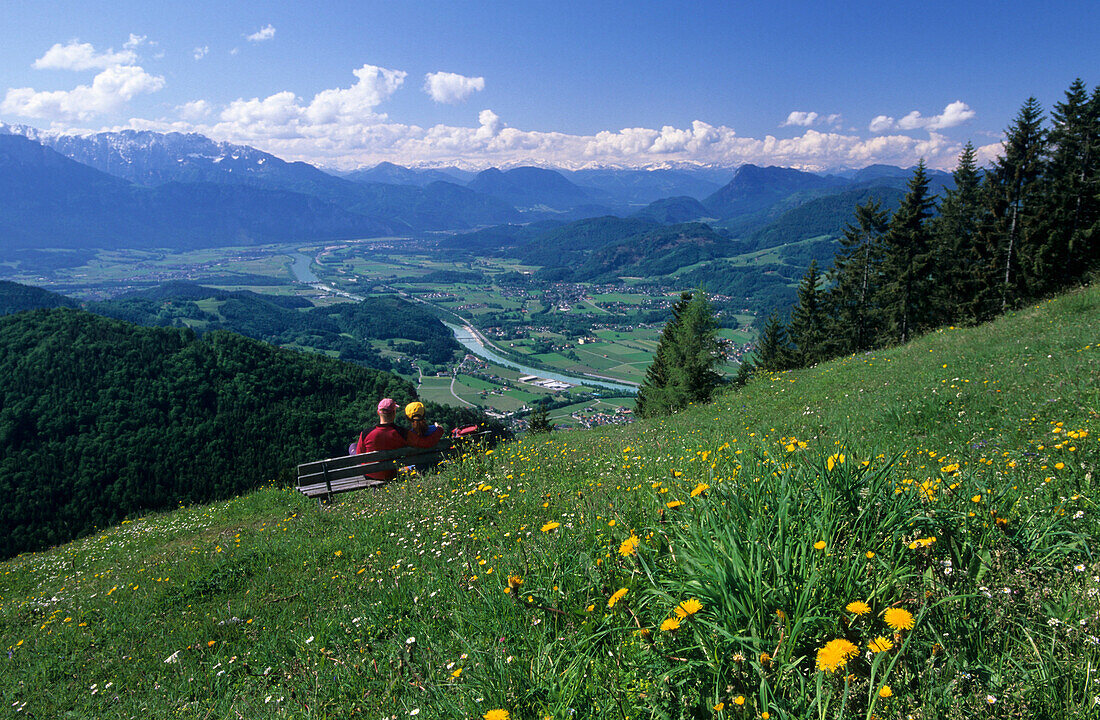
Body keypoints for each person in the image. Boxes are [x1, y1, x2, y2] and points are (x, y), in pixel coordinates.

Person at [354, 398, 442, 481]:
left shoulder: (365, 433)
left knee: (352, 447)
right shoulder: (402, 433)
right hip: (391, 474)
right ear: (394, 413)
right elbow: (426, 443)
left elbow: (359, 457)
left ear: (378, 412)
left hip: (370, 474)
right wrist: (440, 430)